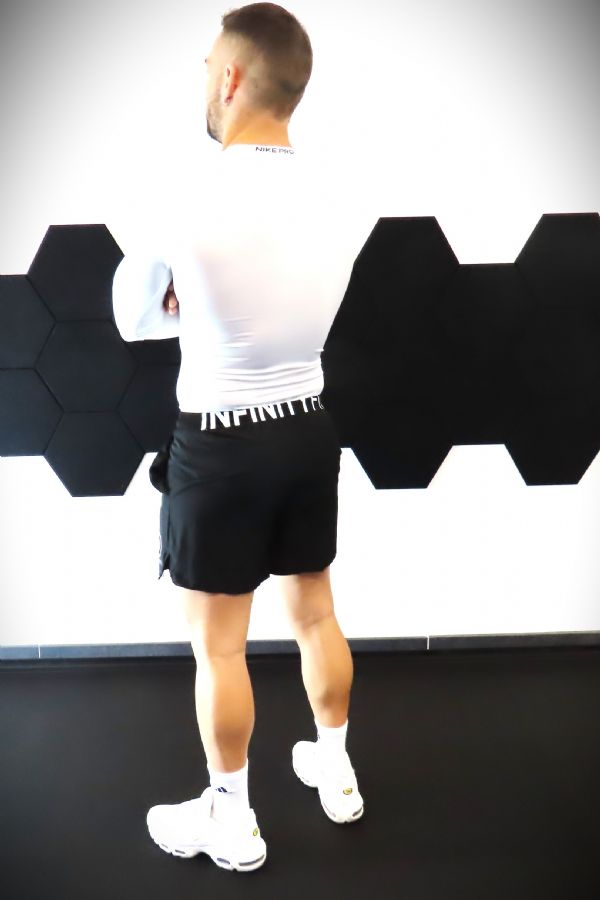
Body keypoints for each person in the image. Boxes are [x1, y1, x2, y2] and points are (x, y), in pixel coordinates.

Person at [112, 2, 370, 873]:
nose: (203, 78)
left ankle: (231, 818)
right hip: (308, 431)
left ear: (230, 77)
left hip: (222, 444)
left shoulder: (188, 195)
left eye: (207, 66)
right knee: (317, 612)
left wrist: (183, 302)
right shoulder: (337, 197)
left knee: (220, 645)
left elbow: (133, 316)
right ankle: (336, 773)